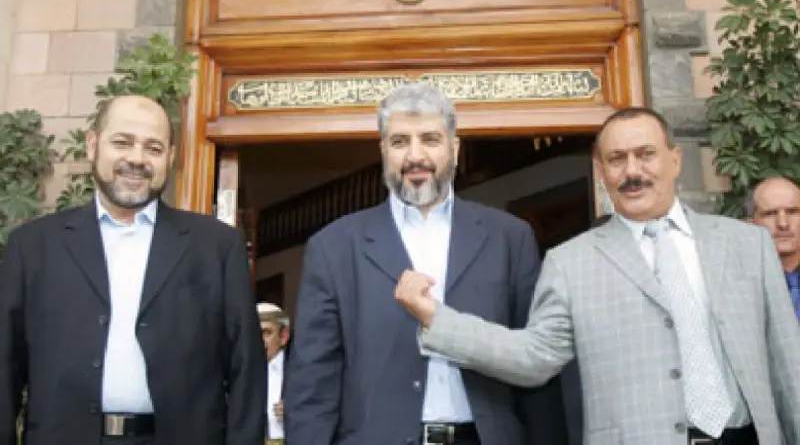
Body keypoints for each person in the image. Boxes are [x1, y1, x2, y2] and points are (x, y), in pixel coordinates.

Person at [396, 107, 800, 445]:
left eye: (646, 154)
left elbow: (789, 367)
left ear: (675, 160)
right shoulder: (570, 262)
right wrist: (438, 320)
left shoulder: (748, 244)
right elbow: (534, 357)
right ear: (601, 169)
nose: (632, 171)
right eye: (617, 159)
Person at [284, 83, 570, 445]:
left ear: (454, 148)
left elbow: (538, 368)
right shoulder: (334, 246)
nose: (414, 156)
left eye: (430, 140)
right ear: (383, 150)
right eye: (400, 141)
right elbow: (312, 383)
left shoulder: (509, 237)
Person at [0, 95, 266, 445]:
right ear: (93, 145)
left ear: (170, 158)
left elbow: (247, 368)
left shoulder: (216, 246)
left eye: (153, 148)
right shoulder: (33, 247)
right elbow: (5, 367)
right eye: (122, 142)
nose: (137, 159)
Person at [750, 177, 800, 320]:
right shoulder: (735, 285)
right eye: (770, 214)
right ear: (751, 222)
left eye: (792, 212)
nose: (783, 224)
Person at [257, 302, 291, 444]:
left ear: (283, 336)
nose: (259, 341)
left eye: (266, 333)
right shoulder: (237, 374)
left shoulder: (300, 370)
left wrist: (294, 410)